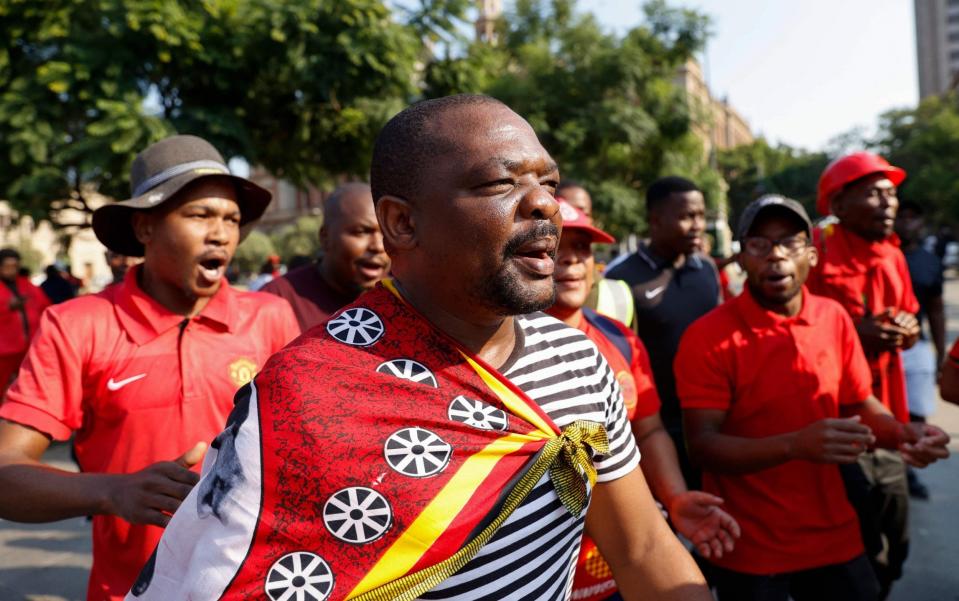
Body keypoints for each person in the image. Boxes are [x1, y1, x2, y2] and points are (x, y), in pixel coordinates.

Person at [129, 95, 712, 601]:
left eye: (549, 184)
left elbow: (640, 550)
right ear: (403, 224)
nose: (545, 206)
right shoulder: (300, 400)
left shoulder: (581, 361)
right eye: (501, 184)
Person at [0, 135, 300, 601]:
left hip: (258, 586)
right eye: (199, 215)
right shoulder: (78, 324)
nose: (220, 233)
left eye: (232, 219)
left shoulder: (270, 317)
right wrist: (113, 492)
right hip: (130, 590)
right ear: (145, 228)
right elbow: (6, 472)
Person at [676, 195, 950, 601]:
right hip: (751, 547)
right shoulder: (707, 337)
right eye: (760, 244)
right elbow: (703, 446)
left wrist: (902, 433)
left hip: (835, 537)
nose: (776, 256)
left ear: (812, 254)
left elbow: (858, 403)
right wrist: (794, 445)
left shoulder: (833, 317)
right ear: (742, 258)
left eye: (789, 242)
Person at [547, 199, 739, 601]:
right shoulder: (492, 346)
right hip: (539, 575)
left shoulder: (620, 338)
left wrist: (675, 497)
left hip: (618, 568)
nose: (570, 260)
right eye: (555, 247)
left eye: (582, 249)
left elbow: (648, 430)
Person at [806, 152, 920, 599]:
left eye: (891, 194)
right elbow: (797, 328)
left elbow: (908, 315)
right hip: (834, 421)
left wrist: (907, 329)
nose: (888, 203)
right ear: (839, 203)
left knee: (895, 538)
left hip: (886, 416)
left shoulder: (893, 255)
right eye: (874, 193)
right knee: (852, 544)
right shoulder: (816, 247)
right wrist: (857, 333)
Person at [605, 176, 720, 488]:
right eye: (685, 217)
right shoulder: (621, 279)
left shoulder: (707, 269)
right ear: (655, 221)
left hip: (711, 422)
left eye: (700, 216)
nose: (697, 225)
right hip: (654, 428)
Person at [262, 182, 389, 331]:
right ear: (325, 237)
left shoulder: (405, 299)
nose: (379, 247)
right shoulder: (277, 299)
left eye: (387, 233)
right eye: (361, 232)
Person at [894, 200, 945, 499]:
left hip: (917, 349)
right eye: (903, 217)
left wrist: (940, 354)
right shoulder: (883, 257)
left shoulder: (929, 261)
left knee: (915, 415)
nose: (907, 223)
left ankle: (909, 470)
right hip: (881, 349)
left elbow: (936, 311)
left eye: (914, 218)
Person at [0, 249, 50, 395]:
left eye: (15, 266)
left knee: (27, 385)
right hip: (4, 351)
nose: (11, 270)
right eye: (7, 266)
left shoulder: (26, 285)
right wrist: (7, 307)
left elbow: (45, 305)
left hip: (28, 347)